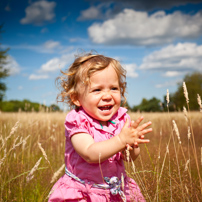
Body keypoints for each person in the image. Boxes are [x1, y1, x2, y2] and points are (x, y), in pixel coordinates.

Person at [48, 52, 152, 202]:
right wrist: (121, 140)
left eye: (114, 88)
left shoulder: (121, 119)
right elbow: (90, 154)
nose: (107, 95)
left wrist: (131, 145)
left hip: (116, 191)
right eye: (97, 90)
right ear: (76, 98)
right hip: (84, 192)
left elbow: (129, 158)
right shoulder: (78, 120)